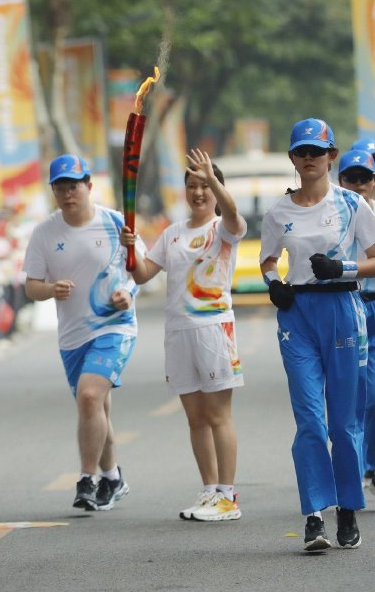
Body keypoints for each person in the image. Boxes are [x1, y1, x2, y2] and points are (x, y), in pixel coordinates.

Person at [259, 118, 375, 551]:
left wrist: (343, 269)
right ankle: (314, 515)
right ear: (292, 158)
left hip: (343, 309)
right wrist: (274, 285)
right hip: (298, 316)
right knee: (310, 419)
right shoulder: (278, 211)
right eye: (300, 151)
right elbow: (268, 259)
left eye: (316, 151)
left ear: (331, 156)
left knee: (344, 421)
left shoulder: (351, 204)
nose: (309, 158)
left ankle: (347, 507)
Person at [121, 149, 245, 521]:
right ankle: (209, 491)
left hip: (213, 329)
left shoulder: (223, 229)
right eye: (192, 185)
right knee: (195, 418)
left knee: (218, 414)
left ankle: (228, 495)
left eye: (205, 186)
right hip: (177, 331)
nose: (198, 193)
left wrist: (214, 179)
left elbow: (235, 215)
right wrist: (132, 247)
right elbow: (144, 274)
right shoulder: (172, 233)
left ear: (216, 189)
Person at [23, 154, 138, 513]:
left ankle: (87, 480)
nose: (67, 193)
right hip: (73, 335)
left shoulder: (116, 222)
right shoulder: (44, 233)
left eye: (73, 186)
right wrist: (51, 289)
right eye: (60, 187)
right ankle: (113, 477)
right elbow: (31, 286)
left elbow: (140, 269)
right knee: (96, 406)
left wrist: (127, 293)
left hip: (114, 326)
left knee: (89, 397)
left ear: (89, 186)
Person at [336, 146, 375, 495]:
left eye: (366, 178)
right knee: (360, 389)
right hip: (353, 306)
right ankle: (359, 465)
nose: (359, 184)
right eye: (352, 178)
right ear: (341, 179)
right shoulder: (336, 216)